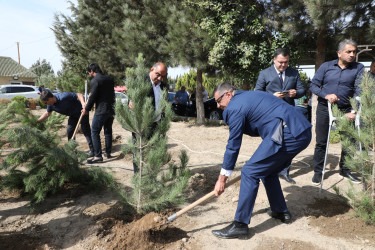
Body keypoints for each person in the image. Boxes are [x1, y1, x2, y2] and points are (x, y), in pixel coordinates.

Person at [211, 82, 311, 239]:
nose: (218, 106)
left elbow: (233, 145)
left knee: (249, 171)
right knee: (267, 170)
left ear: (229, 94)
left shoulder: (234, 107)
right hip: (301, 131)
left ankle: (240, 225)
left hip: (288, 133)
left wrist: (222, 178)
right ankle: (280, 211)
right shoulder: (247, 96)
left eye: (218, 101)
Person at [310, 39, 364, 185]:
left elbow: (359, 90)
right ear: (339, 53)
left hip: (346, 109)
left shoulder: (358, 68)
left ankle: (345, 170)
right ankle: (318, 171)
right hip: (325, 107)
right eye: (349, 51)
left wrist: (354, 111)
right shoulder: (326, 67)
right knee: (321, 141)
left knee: (348, 141)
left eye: (354, 51)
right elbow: (313, 85)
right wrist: (326, 95)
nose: (352, 54)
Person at [255, 48, 306, 184]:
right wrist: (272, 96)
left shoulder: (294, 73)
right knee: (271, 141)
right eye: (281, 62)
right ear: (274, 60)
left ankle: (285, 172)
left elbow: (302, 90)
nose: (283, 65)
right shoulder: (265, 73)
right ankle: (270, 169)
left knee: (289, 142)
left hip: (289, 113)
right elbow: (257, 93)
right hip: (270, 113)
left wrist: (296, 93)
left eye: (286, 62)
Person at [130, 62, 168, 172]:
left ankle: (151, 177)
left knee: (152, 152)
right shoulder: (140, 82)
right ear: (152, 69)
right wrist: (131, 102)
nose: (160, 78)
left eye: (162, 76)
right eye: (158, 74)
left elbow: (164, 105)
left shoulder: (162, 86)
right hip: (141, 125)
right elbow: (131, 98)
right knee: (139, 153)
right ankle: (139, 178)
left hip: (156, 125)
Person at [38, 90, 94, 156]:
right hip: (72, 115)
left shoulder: (64, 96)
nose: (46, 104)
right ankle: (72, 150)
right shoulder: (50, 105)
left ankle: (93, 150)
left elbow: (79, 95)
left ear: (50, 98)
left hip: (82, 112)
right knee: (70, 130)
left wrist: (83, 104)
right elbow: (47, 114)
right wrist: (37, 121)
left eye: (46, 102)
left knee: (86, 130)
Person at [83, 63, 115, 164]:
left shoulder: (95, 80)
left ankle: (97, 156)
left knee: (94, 131)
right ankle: (108, 152)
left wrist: (87, 109)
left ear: (92, 71)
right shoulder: (109, 79)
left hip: (102, 110)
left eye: (89, 73)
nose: (90, 75)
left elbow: (92, 97)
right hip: (112, 109)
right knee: (108, 130)